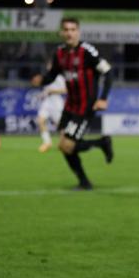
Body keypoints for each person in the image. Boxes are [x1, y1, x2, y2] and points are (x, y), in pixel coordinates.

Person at [32, 17, 114, 189]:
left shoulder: (87, 51)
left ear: (78, 32)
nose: (69, 33)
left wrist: (103, 98)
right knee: (63, 146)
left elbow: (108, 72)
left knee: (68, 145)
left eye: (73, 29)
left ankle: (101, 145)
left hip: (85, 106)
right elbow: (52, 75)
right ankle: (85, 180)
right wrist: (41, 81)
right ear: (61, 32)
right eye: (66, 30)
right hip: (69, 106)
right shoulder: (59, 53)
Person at [37, 62, 66, 152]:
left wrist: (53, 91)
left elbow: (65, 90)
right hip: (47, 102)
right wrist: (42, 95)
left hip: (56, 103)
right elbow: (46, 90)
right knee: (40, 121)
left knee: (60, 126)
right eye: (49, 65)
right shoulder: (47, 77)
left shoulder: (59, 78)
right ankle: (47, 142)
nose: (49, 67)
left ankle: (63, 143)